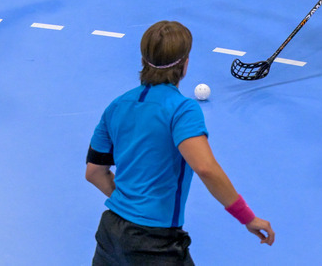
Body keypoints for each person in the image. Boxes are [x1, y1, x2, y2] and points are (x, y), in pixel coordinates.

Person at [85, 21, 275, 264]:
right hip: (155, 242)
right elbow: (205, 168)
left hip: (110, 235)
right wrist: (247, 217)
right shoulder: (182, 109)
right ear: (184, 64)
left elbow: (94, 172)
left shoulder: (116, 106)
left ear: (143, 60)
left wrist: (131, 205)